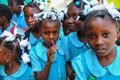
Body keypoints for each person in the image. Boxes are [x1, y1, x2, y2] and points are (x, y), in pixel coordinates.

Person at [72, 8, 120, 80]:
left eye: (105, 34)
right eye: (92, 36)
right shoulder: (81, 63)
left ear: (117, 33)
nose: (98, 42)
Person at [29, 10, 67, 80]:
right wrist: (48, 62)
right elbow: (39, 78)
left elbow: (67, 63)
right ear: (40, 32)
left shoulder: (62, 44)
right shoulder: (34, 52)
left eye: (55, 32)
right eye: (47, 33)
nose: (51, 36)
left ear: (59, 31)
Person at [64, 0, 90, 79]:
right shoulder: (68, 40)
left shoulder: (96, 39)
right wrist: (71, 73)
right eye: (68, 16)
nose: (69, 21)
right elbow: (67, 62)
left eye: (75, 17)